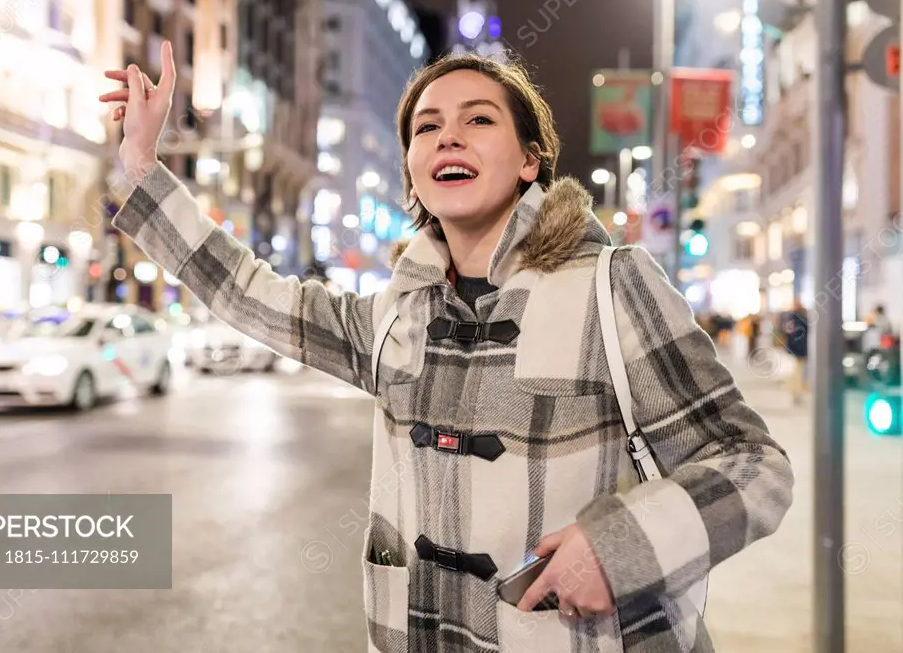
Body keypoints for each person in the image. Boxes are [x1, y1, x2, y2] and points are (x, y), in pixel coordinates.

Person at [100, 42, 794, 652]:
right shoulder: (398, 315)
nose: (447, 138)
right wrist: (141, 168)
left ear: (530, 160)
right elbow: (253, 295)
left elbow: (752, 465)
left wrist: (621, 548)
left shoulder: (610, 288)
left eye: (478, 120)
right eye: (426, 128)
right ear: (412, 172)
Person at [782, 300, 809, 405]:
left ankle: (796, 390)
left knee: (796, 371)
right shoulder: (799, 319)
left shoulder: (791, 319)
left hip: (794, 349)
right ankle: (796, 391)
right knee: (798, 371)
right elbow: (798, 335)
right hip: (798, 349)